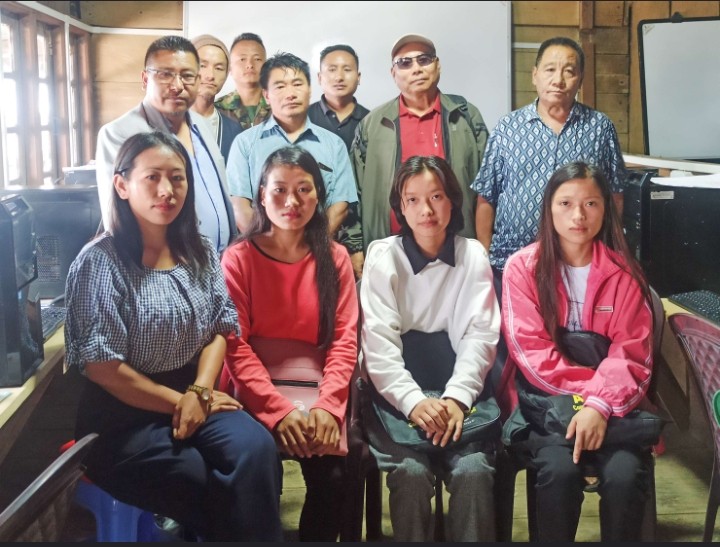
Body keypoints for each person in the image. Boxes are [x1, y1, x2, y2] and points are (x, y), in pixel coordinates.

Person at [64, 131, 283, 542]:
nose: (167, 190)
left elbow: (221, 327)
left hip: (196, 399)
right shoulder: (100, 263)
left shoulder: (198, 249)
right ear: (122, 185)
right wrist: (183, 402)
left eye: (177, 178)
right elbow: (103, 368)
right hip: (121, 419)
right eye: (152, 178)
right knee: (203, 480)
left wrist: (199, 392)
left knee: (256, 451)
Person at [500, 161, 654, 541]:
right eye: (565, 203)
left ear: (607, 208)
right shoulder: (522, 268)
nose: (578, 216)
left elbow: (631, 353)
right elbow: (531, 353)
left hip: (615, 414)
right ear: (548, 208)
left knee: (623, 476)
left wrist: (601, 407)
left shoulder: (624, 273)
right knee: (559, 472)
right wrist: (592, 400)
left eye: (591, 204)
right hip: (548, 410)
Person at [219, 146, 358, 541]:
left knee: (332, 474)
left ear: (319, 196)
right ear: (261, 194)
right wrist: (277, 411)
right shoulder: (238, 259)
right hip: (252, 387)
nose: (291, 201)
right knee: (257, 467)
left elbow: (345, 340)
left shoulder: (335, 258)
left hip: (317, 385)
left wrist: (330, 408)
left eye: (303, 190)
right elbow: (235, 345)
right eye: (279, 190)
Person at [360, 155, 500, 542]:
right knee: (411, 473)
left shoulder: (472, 254)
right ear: (400, 207)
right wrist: (414, 402)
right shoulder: (382, 256)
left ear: (452, 200)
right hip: (398, 398)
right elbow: (379, 343)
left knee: (473, 471)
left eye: (437, 196)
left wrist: (456, 398)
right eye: (413, 199)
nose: (426, 210)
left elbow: (479, 335)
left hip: (461, 394)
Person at [473, 36, 627, 284]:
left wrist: (610, 250)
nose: (558, 80)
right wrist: (484, 256)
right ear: (534, 75)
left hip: (578, 266)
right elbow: (486, 196)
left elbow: (616, 194)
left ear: (580, 78)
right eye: (550, 70)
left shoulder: (600, 127)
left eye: (569, 71)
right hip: (510, 264)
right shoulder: (507, 128)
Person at [95, 35, 236, 253]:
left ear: (198, 81)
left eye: (187, 76)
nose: (177, 86)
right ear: (144, 79)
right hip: (170, 270)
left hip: (219, 267)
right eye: (165, 75)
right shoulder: (120, 134)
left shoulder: (201, 124)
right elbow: (118, 221)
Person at [352, 33, 488, 255]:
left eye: (424, 60)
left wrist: (484, 245)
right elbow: (354, 193)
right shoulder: (372, 124)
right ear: (393, 73)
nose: (416, 68)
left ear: (437, 65)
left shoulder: (466, 116)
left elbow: (488, 186)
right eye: (405, 63)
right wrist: (356, 247)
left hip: (457, 247)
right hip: (391, 250)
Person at [226, 52, 358, 242]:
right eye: (280, 86)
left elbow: (340, 205)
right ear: (266, 95)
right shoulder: (245, 143)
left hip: (317, 251)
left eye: (297, 84)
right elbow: (239, 205)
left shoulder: (333, 144)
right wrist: (267, 249)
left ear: (309, 90)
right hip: (260, 253)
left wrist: (309, 246)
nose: (290, 94)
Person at [308, 44, 369, 278]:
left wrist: (357, 246)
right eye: (332, 69)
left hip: (362, 238)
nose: (339, 76)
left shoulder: (373, 122)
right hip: (311, 236)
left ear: (359, 77)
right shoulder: (303, 120)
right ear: (320, 77)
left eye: (347, 69)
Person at [190, 34, 243, 163]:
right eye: (202, 65)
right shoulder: (165, 124)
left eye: (219, 68)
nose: (210, 75)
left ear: (226, 74)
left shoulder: (234, 131)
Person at [215, 32, 271, 130]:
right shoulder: (217, 109)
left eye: (257, 59)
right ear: (230, 68)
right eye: (242, 59)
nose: (249, 64)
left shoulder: (280, 106)